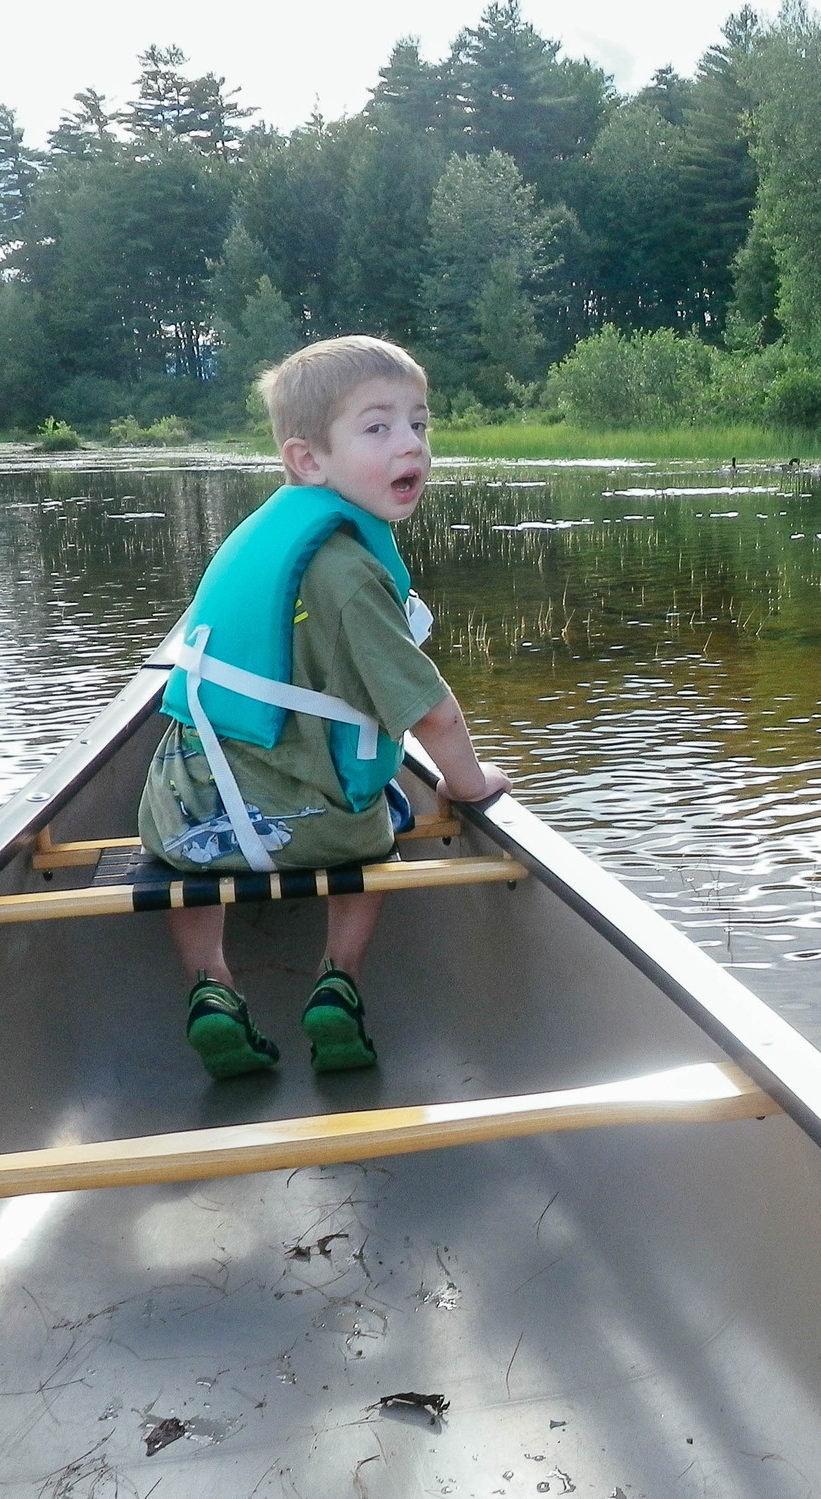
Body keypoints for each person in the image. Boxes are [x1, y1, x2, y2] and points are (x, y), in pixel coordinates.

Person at [138, 335, 510, 1080]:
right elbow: (430, 712)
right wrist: (467, 784)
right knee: (381, 821)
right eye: (378, 427)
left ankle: (211, 983)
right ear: (308, 460)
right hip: (318, 833)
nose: (411, 444)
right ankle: (339, 979)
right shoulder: (351, 574)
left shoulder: (262, 537)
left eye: (419, 424)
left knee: (169, 835)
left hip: (196, 825)